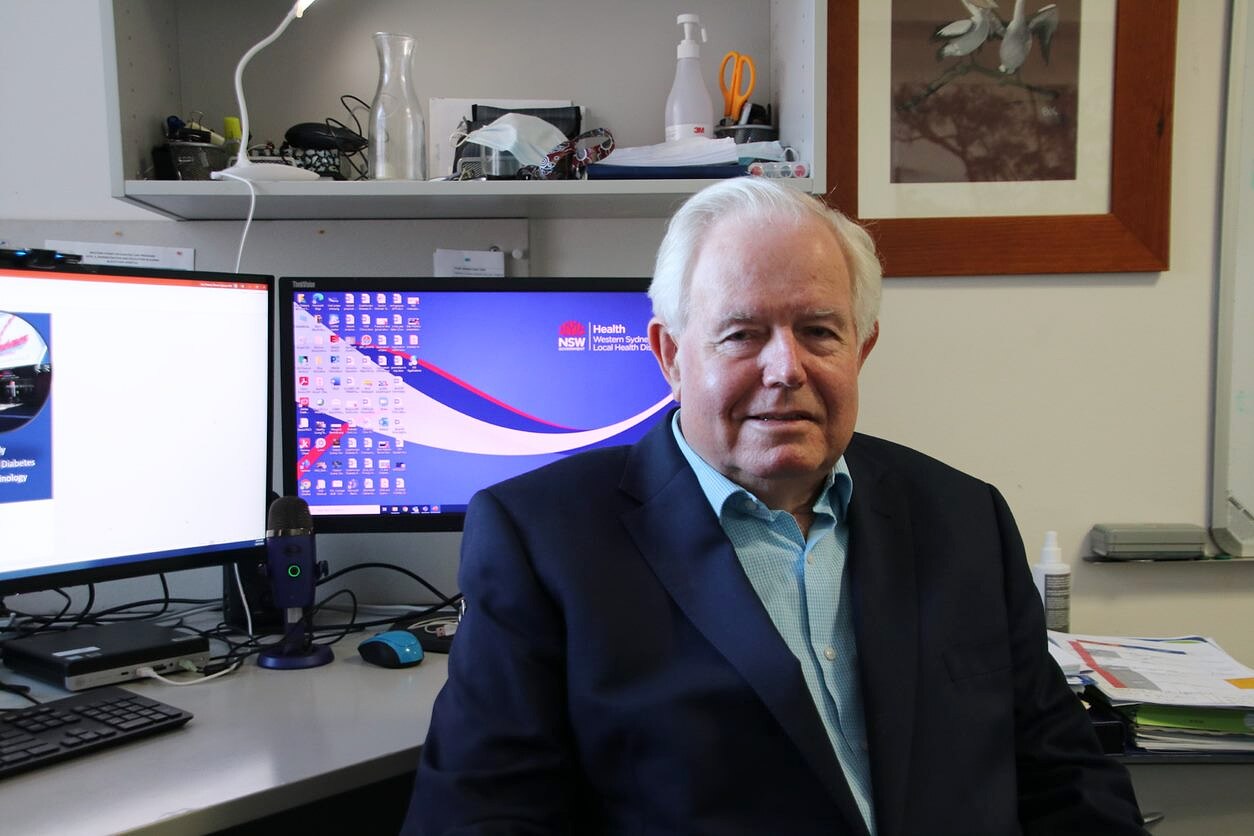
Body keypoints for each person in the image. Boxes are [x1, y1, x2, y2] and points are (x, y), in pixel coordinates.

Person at [402, 177, 1147, 835]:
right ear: (669, 354)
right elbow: (481, 815)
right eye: (743, 335)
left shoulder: (964, 516)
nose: (785, 369)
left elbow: (1063, 772)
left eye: (819, 331)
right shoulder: (543, 541)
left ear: (862, 348)